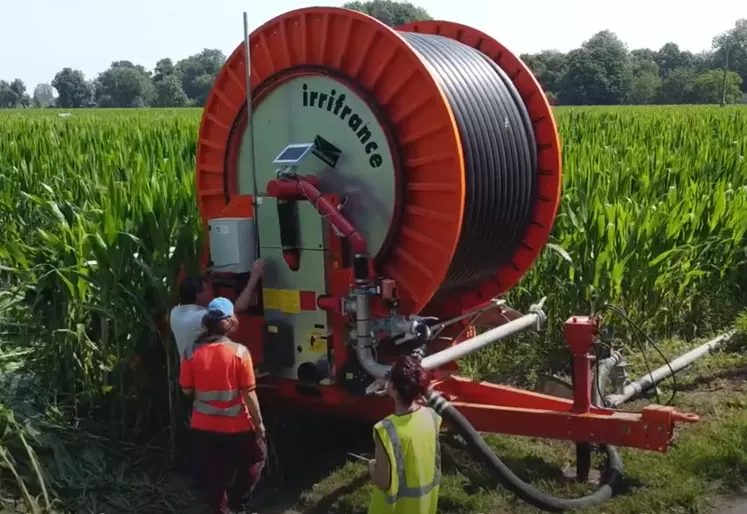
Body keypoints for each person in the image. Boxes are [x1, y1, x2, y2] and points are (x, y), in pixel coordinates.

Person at [179, 297, 267, 514]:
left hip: (203, 426)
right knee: (257, 457)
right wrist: (259, 424)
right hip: (237, 426)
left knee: (214, 473)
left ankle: (223, 510)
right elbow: (249, 394)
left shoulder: (191, 352)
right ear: (230, 322)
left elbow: (186, 389)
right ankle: (238, 502)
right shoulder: (239, 353)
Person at [367, 356, 442, 514]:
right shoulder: (433, 417)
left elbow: (382, 481)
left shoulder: (385, 430)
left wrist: (372, 466)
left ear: (392, 387)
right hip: (424, 507)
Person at [170, 258, 265, 361]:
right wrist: (254, 277)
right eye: (207, 289)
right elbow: (238, 307)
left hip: (190, 371)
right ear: (199, 296)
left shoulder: (175, 312)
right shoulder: (197, 318)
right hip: (205, 372)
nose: (211, 291)